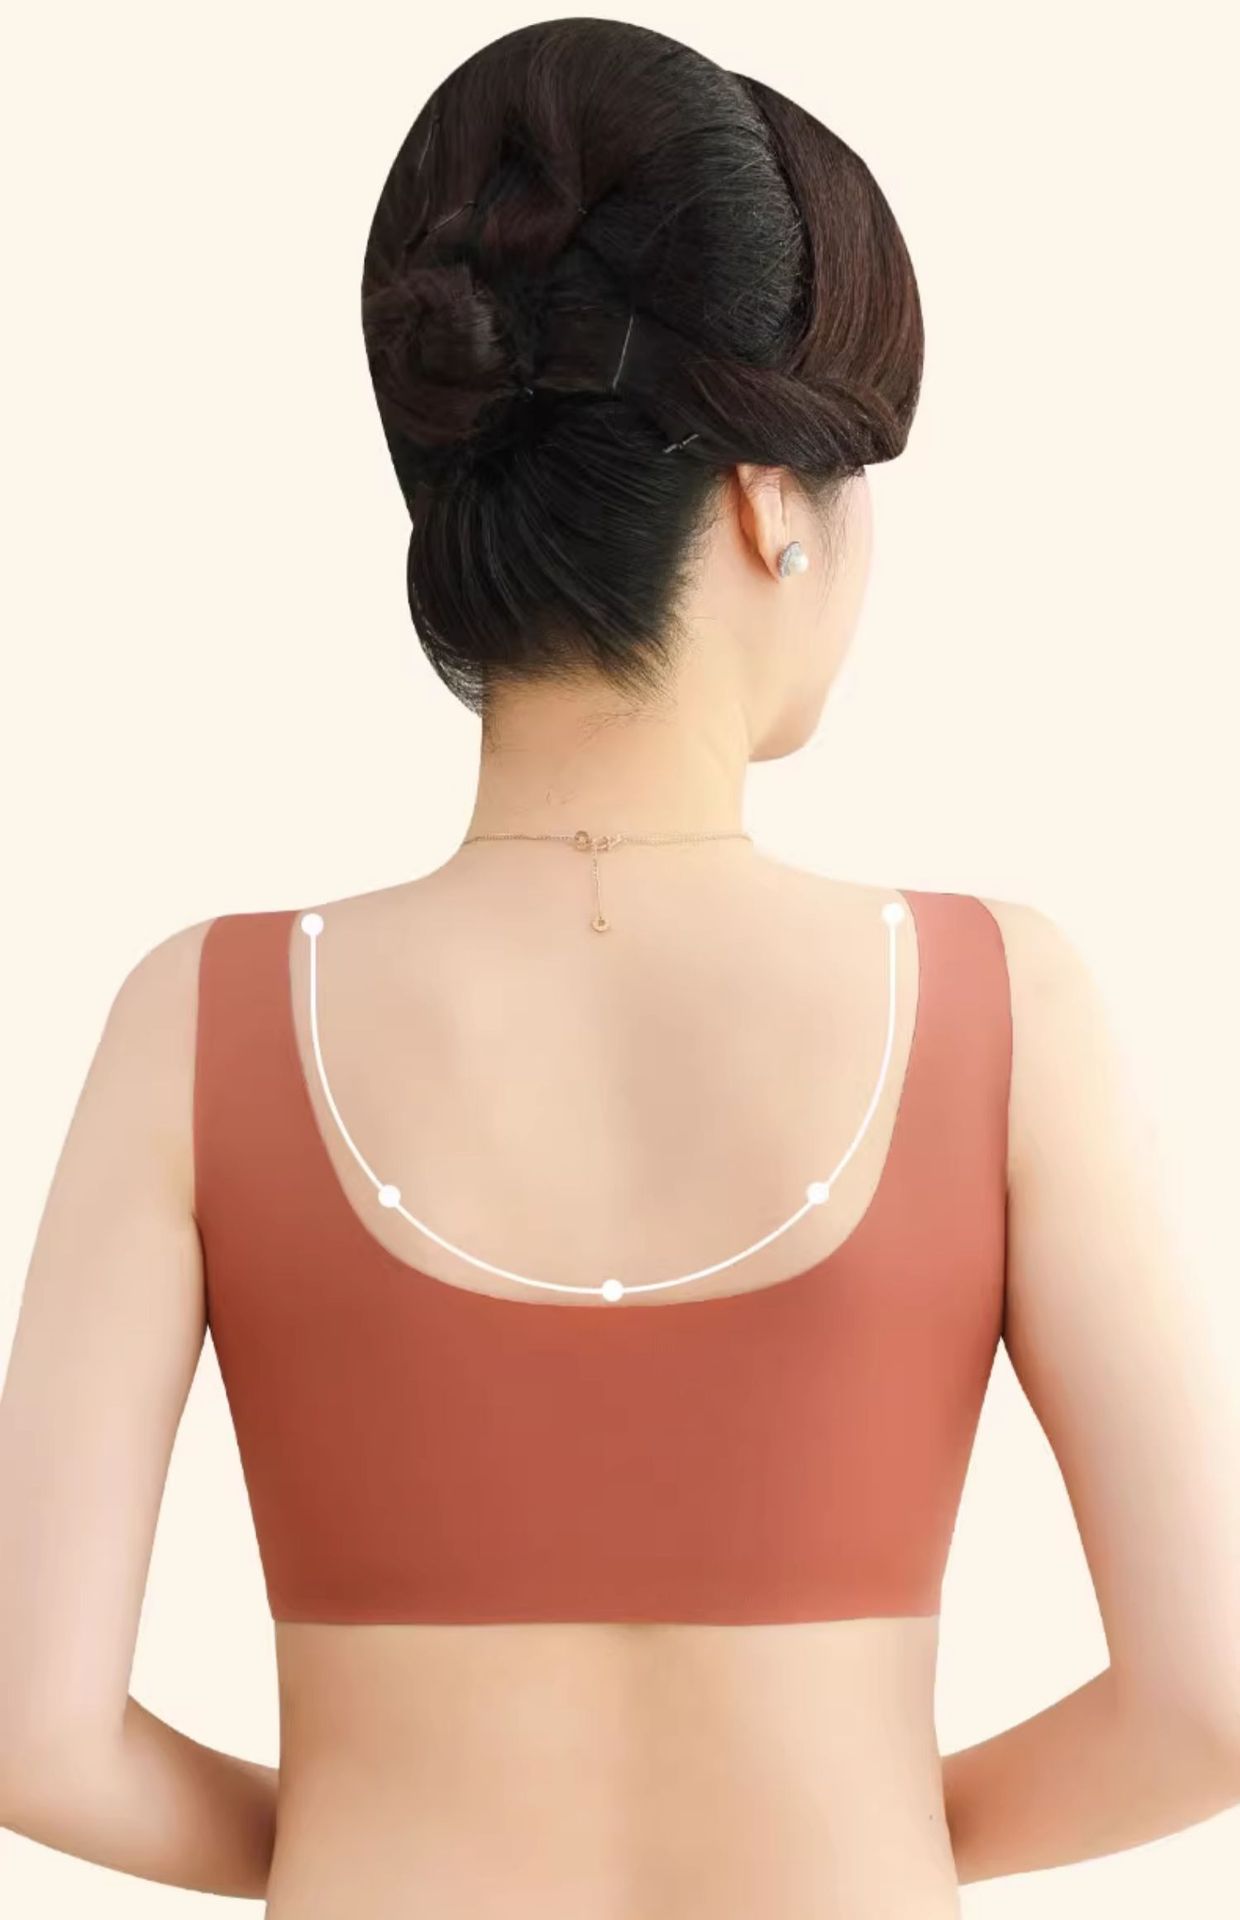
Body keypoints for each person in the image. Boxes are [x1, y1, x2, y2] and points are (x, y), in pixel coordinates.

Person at [2, 19, 1238, 1918]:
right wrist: (867, 1840)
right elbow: (1212, 1702)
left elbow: (31, 1731)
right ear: (767, 499)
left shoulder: (201, 1022)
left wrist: (358, 1841)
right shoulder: (1005, 1006)